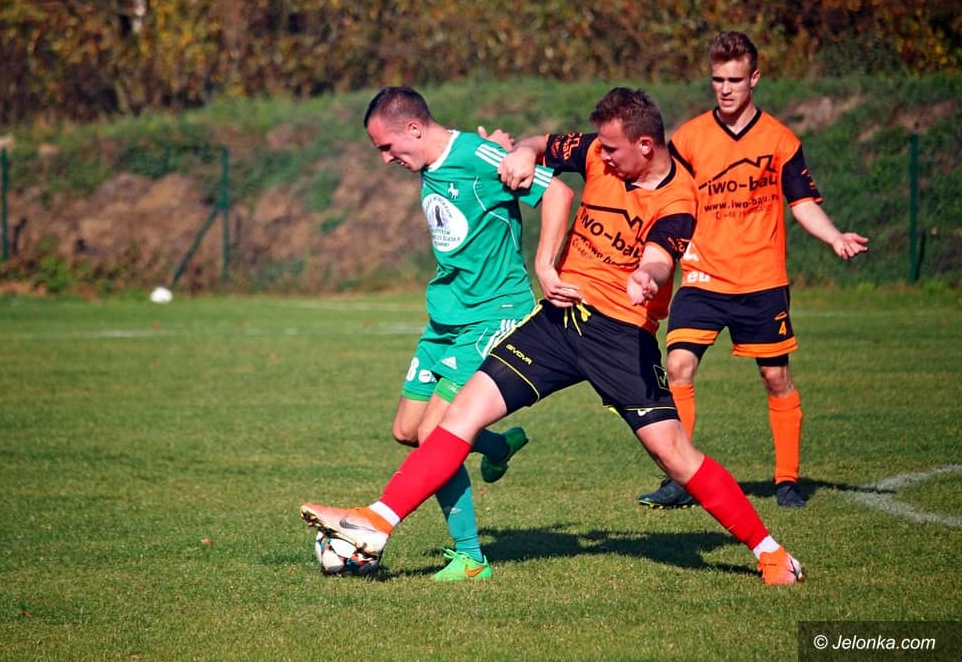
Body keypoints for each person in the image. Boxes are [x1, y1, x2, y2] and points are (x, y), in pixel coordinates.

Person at [302, 87, 805, 586]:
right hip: (558, 321)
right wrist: (522, 151)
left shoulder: (679, 199)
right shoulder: (598, 152)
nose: (602, 156)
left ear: (645, 145)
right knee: (458, 418)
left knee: (672, 454)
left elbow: (659, 256)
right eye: (600, 146)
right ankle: (376, 523)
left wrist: (647, 276)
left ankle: (769, 552)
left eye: (613, 149)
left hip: (619, 337)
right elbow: (543, 146)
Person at [637, 32, 869, 511]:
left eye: (735, 80)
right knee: (677, 367)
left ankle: (787, 482)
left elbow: (801, 202)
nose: (725, 89)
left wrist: (833, 237)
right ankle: (680, 479)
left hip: (761, 281)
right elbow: (667, 196)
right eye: (718, 79)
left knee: (775, 377)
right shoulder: (689, 139)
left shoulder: (780, 140)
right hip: (702, 278)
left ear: (754, 79)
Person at [359, 86, 573, 580]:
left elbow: (558, 194)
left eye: (388, 147)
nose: (386, 159)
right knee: (406, 431)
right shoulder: (439, 159)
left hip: (493, 314)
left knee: (434, 436)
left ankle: (471, 557)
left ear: (414, 128)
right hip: (446, 318)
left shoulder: (476, 157)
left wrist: (545, 265)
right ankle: (496, 447)